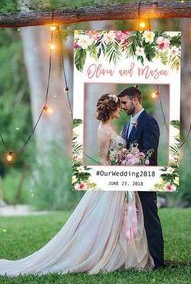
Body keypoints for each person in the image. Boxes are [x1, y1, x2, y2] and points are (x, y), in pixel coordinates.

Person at [0, 93, 154, 277]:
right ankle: (104, 253)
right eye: (118, 106)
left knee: (121, 219)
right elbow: (103, 159)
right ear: (112, 109)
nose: (121, 109)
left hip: (120, 180)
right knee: (106, 220)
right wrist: (117, 170)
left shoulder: (112, 127)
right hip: (111, 181)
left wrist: (125, 163)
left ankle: (122, 253)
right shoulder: (103, 130)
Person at [118, 86, 165, 269]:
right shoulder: (127, 124)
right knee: (132, 220)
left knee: (150, 218)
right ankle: (138, 259)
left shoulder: (149, 122)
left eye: (124, 102)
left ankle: (158, 262)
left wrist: (134, 160)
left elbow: (149, 150)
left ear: (135, 101)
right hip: (128, 180)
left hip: (145, 178)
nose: (122, 106)